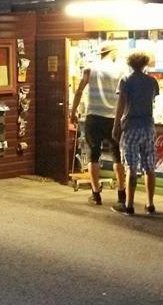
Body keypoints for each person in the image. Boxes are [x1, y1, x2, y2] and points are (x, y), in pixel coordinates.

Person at [70, 42, 126, 206]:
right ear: (113, 52)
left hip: (94, 116)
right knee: (118, 156)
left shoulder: (90, 69)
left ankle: (96, 194)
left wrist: (73, 111)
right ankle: (122, 193)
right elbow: (124, 94)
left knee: (93, 155)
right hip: (114, 117)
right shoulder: (121, 70)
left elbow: (79, 90)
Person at [112, 51, 159, 216]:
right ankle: (150, 203)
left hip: (131, 126)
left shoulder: (126, 80)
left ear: (130, 64)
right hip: (148, 127)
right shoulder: (152, 81)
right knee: (149, 166)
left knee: (131, 166)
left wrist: (116, 125)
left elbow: (121, 104)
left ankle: (129, 204)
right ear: (145, 64)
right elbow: (152, 101)